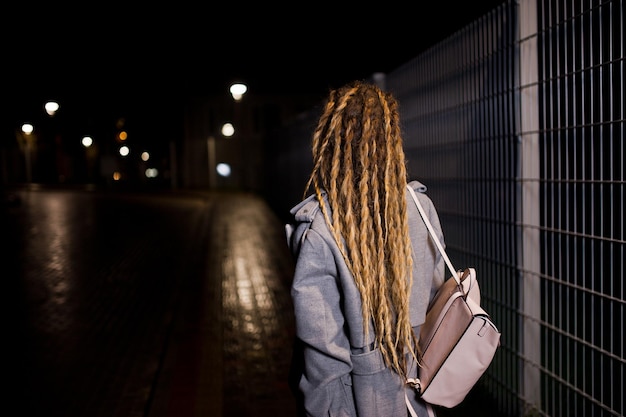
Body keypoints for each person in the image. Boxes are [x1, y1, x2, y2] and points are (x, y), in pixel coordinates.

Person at [285, 80, 447, 417]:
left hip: (356, 405)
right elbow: (433, 301)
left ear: (330, 143)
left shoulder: (322, 228)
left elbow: (323, 356)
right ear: (391, 140)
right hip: (419, 398)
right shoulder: (420, 208)